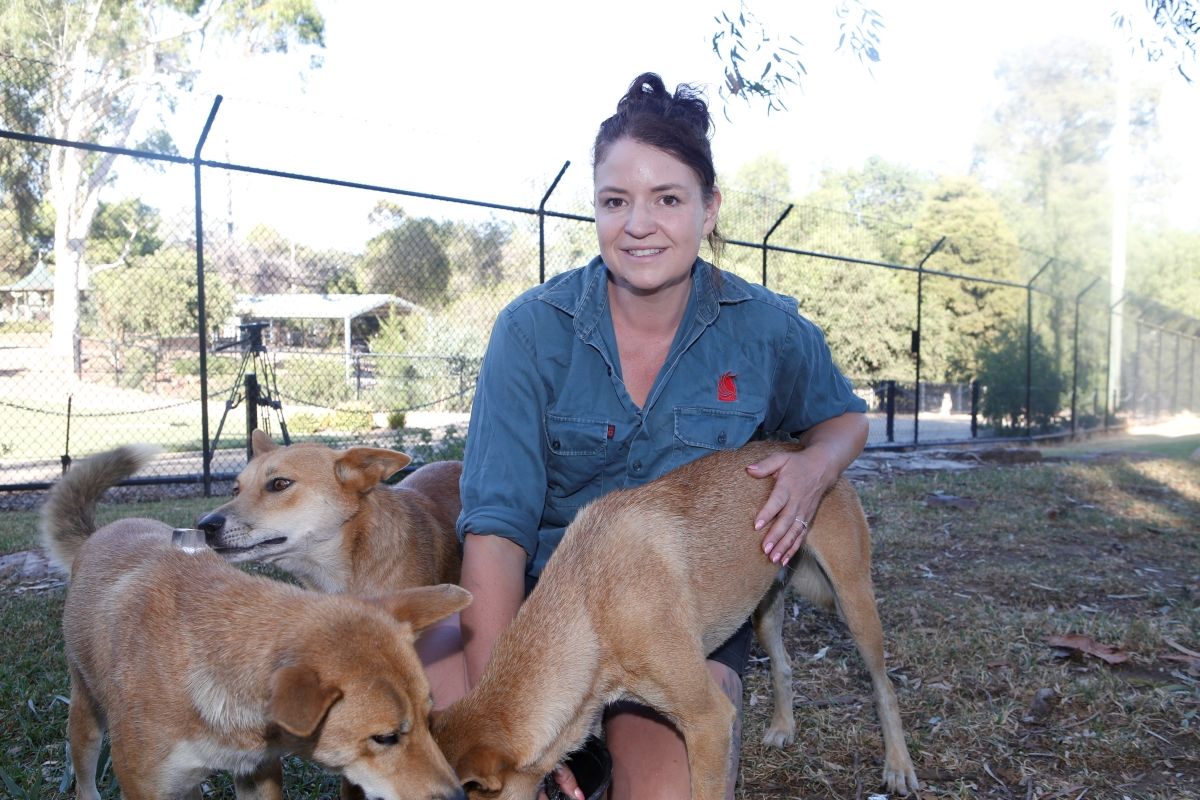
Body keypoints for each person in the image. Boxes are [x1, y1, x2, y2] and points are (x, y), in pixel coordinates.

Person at [421, 72, 869, 800]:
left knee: (668, 789)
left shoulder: (764, 330)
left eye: (668, 199)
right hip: (544, 606)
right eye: (615, 201)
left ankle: (606, 759)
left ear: (709, 208)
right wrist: (509, 723)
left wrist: (815, 467)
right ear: (594, 208)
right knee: (427, 742)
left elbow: (845, 418)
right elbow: (497, 534)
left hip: (673, 612)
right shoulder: (533, 330)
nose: (638, 224)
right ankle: (566, 759)